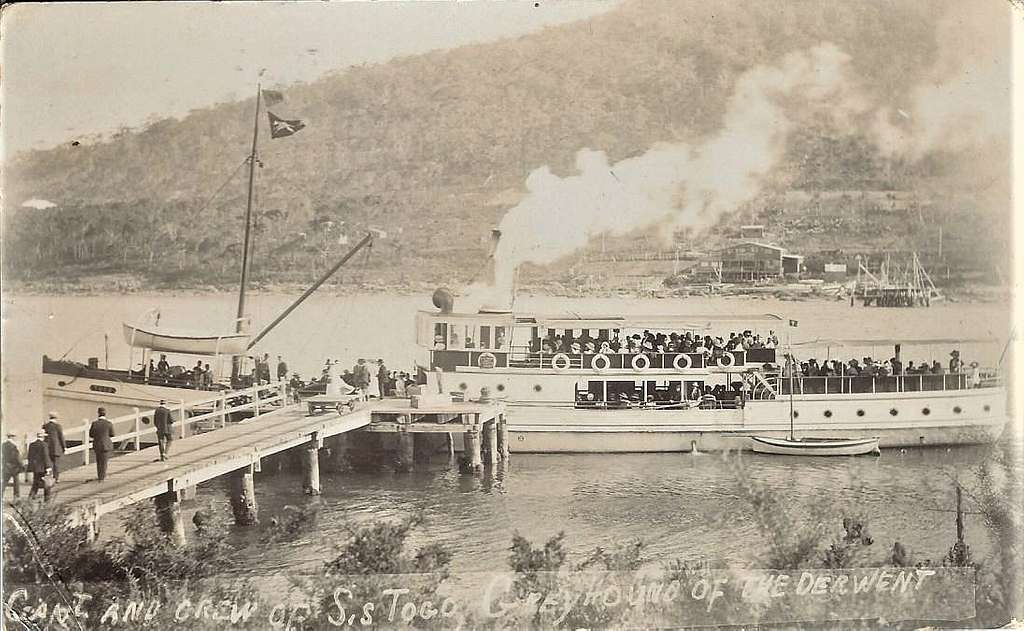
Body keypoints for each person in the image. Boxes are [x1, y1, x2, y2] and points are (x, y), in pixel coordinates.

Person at [89, 407, 115, 481]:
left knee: (98, 461)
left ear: (98, 414)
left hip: (97, 444)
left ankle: (99, 475)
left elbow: (91, 434)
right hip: (106, 444)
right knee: (104, 461)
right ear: (105, 414)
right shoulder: (109, 423)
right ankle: (102, 476)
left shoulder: (94, 423)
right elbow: (112, 434)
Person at [27, 432, 53, 501]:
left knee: (35, 483)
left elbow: (29, 457)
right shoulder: (44, 445)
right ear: (43, 437)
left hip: (35, 468)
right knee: (47, 484)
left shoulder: (31, 445)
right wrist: (48, 467)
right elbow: (46, 456)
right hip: (43, 468)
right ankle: (47, 500)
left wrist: (31, 467)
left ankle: (30, 498)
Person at [42, 411, 66, 483]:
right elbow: (61, 437)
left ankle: (47, 477)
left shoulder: (45, 426)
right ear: (56, 418)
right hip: (56, 448)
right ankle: (56, 478)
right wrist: (64, 446)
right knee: (56, 464)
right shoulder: (58, 426)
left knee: (47, 463)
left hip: (47, 447)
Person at [2, 433, 22, 498]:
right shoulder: (13, 446)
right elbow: (16, 458)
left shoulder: (3, 445)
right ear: (12, 437)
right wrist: (21, 465)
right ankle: (16, 497)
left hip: (6, 467)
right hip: (14, 468)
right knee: (16, 483)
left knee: (4, 482)